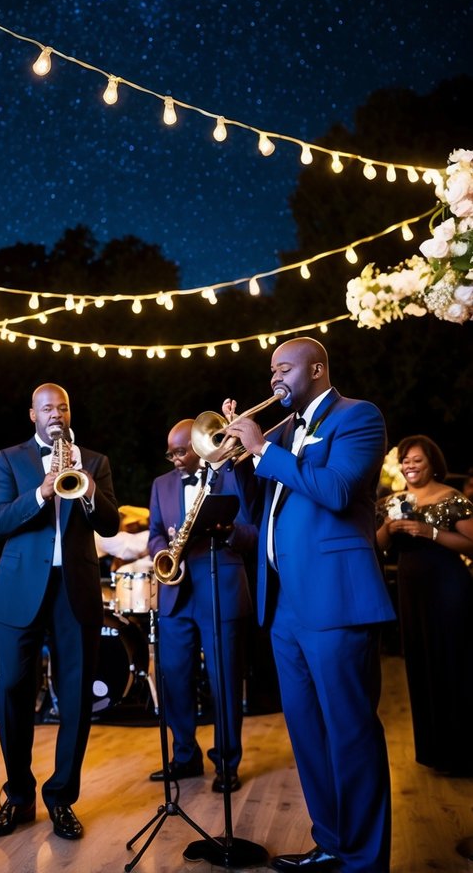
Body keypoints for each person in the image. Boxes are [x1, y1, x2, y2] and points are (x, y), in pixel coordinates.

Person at [222, 337, 394, 873]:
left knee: (350, 733)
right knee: (308, 736)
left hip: (337, 601)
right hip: (284, 606)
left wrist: (262, 452)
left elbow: (339, 491)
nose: (273, 377)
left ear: (317, 368)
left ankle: (364, 861)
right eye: (270, 368)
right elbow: (258, 513)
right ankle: (331, 843)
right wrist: (237, 463)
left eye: (284, 367)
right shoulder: (285, 431)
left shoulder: (357, 417)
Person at [0, 382, 120, 841]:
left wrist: (83, 488)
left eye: (61, 406)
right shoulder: (9, 459)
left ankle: (62, 798)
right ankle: (19, 796)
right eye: (46, 408)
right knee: (12, 695)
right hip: (20, 590)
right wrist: (42, 493)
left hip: (76, 590)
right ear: (33, 415)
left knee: (77, 698)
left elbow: (110, 522)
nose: (55, 413)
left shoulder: (96, 462)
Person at [148, 419, 257, 792]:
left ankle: (227, 763)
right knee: (174, 678)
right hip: (175, 595)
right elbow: (154, 535)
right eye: (171, 453)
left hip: (220, 590)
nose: (175, 458)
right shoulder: (160, 485)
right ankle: (185, 757)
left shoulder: (234, 474)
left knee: (224, 681)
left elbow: (253, 532)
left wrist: (226, 532)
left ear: (198, 446)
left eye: (181, 451)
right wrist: (163, 550)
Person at [376, 435, 473, 776]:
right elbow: (378, 546)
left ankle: (462, 752)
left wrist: (428, 531)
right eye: (405, 460)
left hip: (448, 588)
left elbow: (471, 544)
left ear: (432, 463)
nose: (410, 466)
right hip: (410, 590)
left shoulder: (452, 498)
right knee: (420, 662)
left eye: (417, 460)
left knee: (452, 661)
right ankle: (434, 750)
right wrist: (389, 526)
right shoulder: (393, 501)